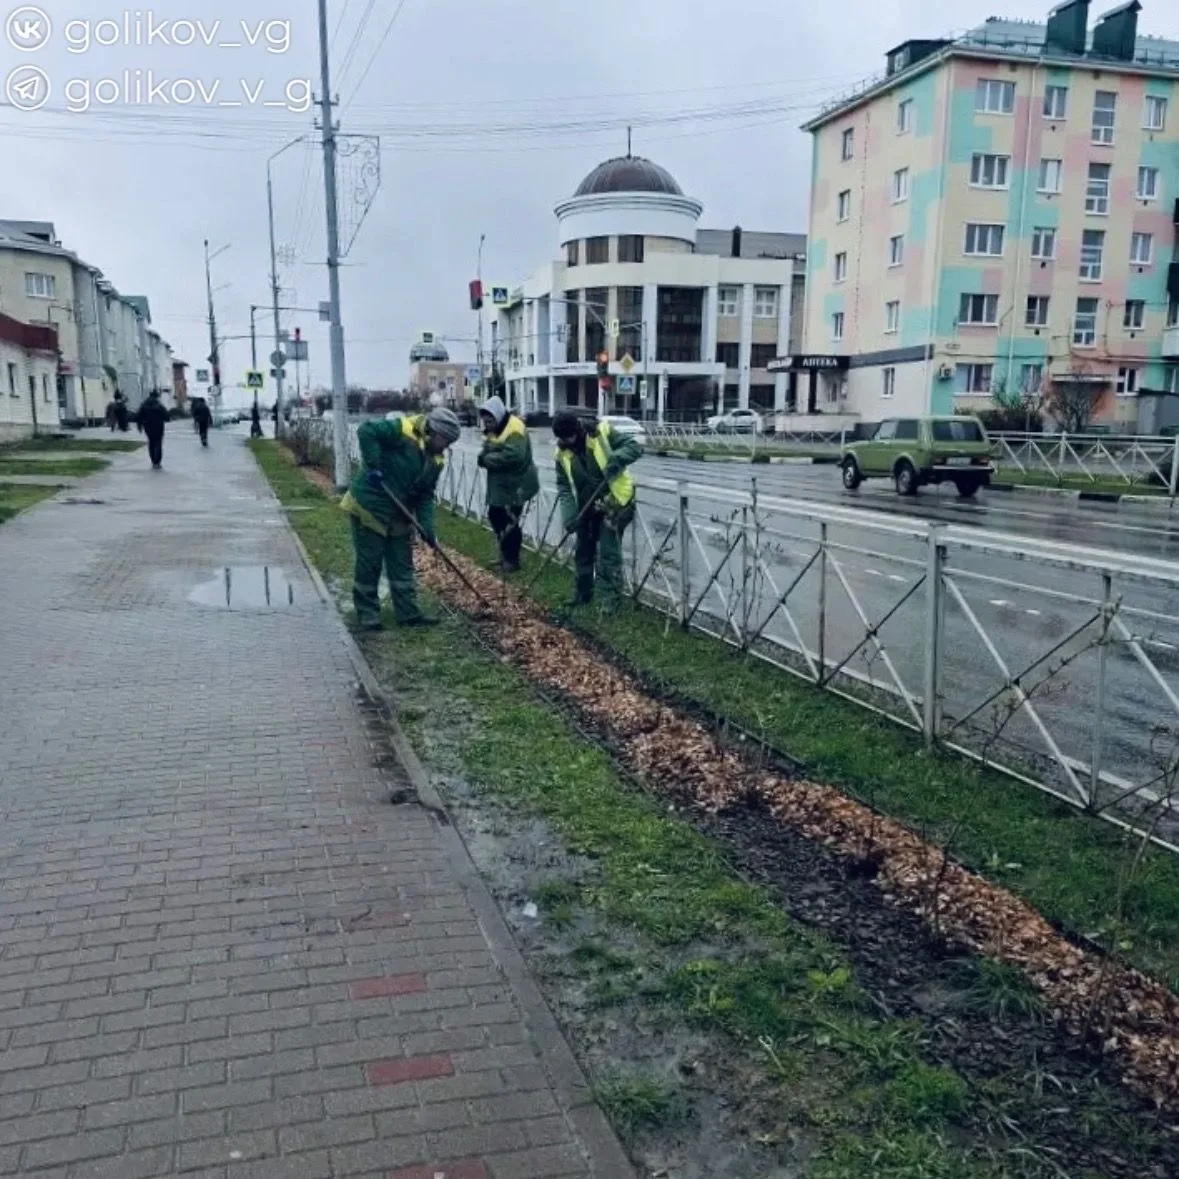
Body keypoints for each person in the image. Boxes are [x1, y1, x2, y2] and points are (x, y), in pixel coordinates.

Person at [340, 406, 462, 631]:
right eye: (445, 440)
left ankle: (408, 613)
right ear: (433, 431)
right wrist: (374, 465)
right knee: (370, 562)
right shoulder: (402, 429)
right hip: (371, 504)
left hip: (398, 511)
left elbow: (425, 496)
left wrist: (427, 529)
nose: (446, 446)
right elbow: (367, 432)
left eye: (450, 443)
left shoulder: (436, 460)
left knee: (401, 563)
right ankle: (368, 614)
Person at [552, 411, 641, 613]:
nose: (567, 442)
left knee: (608, 553)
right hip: (586, 506)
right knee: (583, 550)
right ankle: (583, 594)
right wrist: (569, 516)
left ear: (578, 430)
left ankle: (610, 601)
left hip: (615, 501)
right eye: (562, 438)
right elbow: (564, 487)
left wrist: (616, 459)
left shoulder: (601, 432)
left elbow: (634, 448)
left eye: (570, 437)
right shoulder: (561, 454)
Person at [477, 395, 538, 574]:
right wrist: (487, 455)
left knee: (510, 521)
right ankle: (504, 555)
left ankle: (512, 560)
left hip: (517, 485)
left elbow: (512, 457)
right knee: (496, 515)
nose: (487, 425)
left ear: (497, 416)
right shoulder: (496, 429)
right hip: (502, 485)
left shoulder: (514, 429)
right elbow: (485, 451)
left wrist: (487, 458)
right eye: (485, 422)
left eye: (489, 421)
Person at [136, 390, 170, 469]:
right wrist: (165, 418)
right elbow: (167, 416)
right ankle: (157, 461)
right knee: (158, 443)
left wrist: (140, 425)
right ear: (156, 396)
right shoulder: (159, 405)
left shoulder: (144, 404)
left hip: (148, 426)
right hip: (158, 426)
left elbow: (139, 416)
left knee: (151, 442)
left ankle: (153, 461)